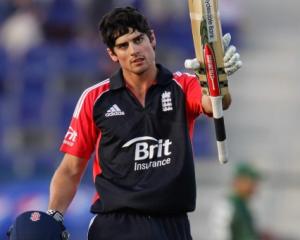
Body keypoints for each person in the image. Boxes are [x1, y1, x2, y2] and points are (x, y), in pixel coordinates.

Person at [47, 6, 242, 240]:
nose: (134, 51)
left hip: (173, 223)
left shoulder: (182, 85)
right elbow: (70, 169)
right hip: (116, 223)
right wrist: (54, 217)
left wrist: (216, 78)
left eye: (138, 40)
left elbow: (215, 103)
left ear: (152, 39)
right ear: (112, 54)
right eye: (123, 46)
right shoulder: (95, 98)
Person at [210, 162, 262, 240]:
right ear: (239, 181)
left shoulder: (244, 205)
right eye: (251, 182)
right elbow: (221, 235)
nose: (255, 186)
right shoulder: (226, 206)